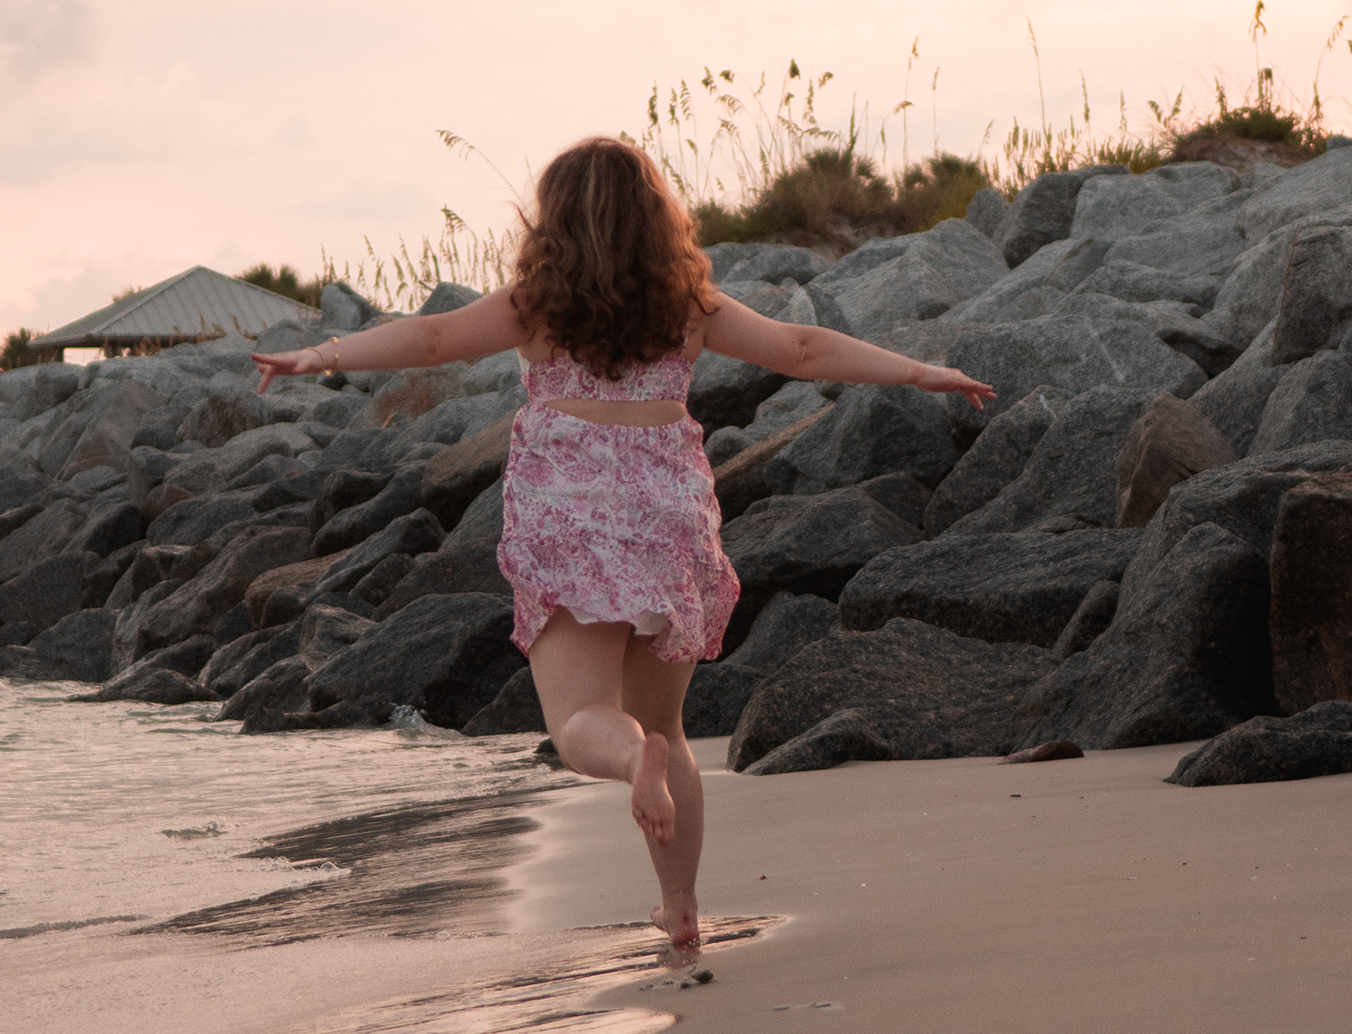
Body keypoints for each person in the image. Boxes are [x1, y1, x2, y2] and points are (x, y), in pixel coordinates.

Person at [254, 135, 995, 950]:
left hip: (569, 517)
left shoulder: (532, 308)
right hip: (666, 512)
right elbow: (803, 347)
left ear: (553, 224)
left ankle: (626, 758)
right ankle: (680, 907)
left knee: (583, 723)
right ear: (656, 218)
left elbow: (427, 341)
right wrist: (923, 373)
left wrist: (317, 354)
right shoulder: (689, 308)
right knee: (669, 728)